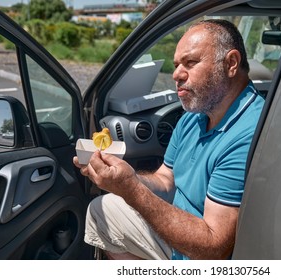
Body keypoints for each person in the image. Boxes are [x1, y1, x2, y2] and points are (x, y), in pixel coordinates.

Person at [73, 19, 265, 260]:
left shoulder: (250, 132)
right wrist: (127, 177)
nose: (176, 74)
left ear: (231, 63)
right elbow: (166, 181)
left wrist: (131, 190)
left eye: (190, 62)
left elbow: (215, 247)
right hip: (178, 231)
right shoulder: (194, 116)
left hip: (199, 252)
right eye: (176, 65)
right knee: (101, 209)